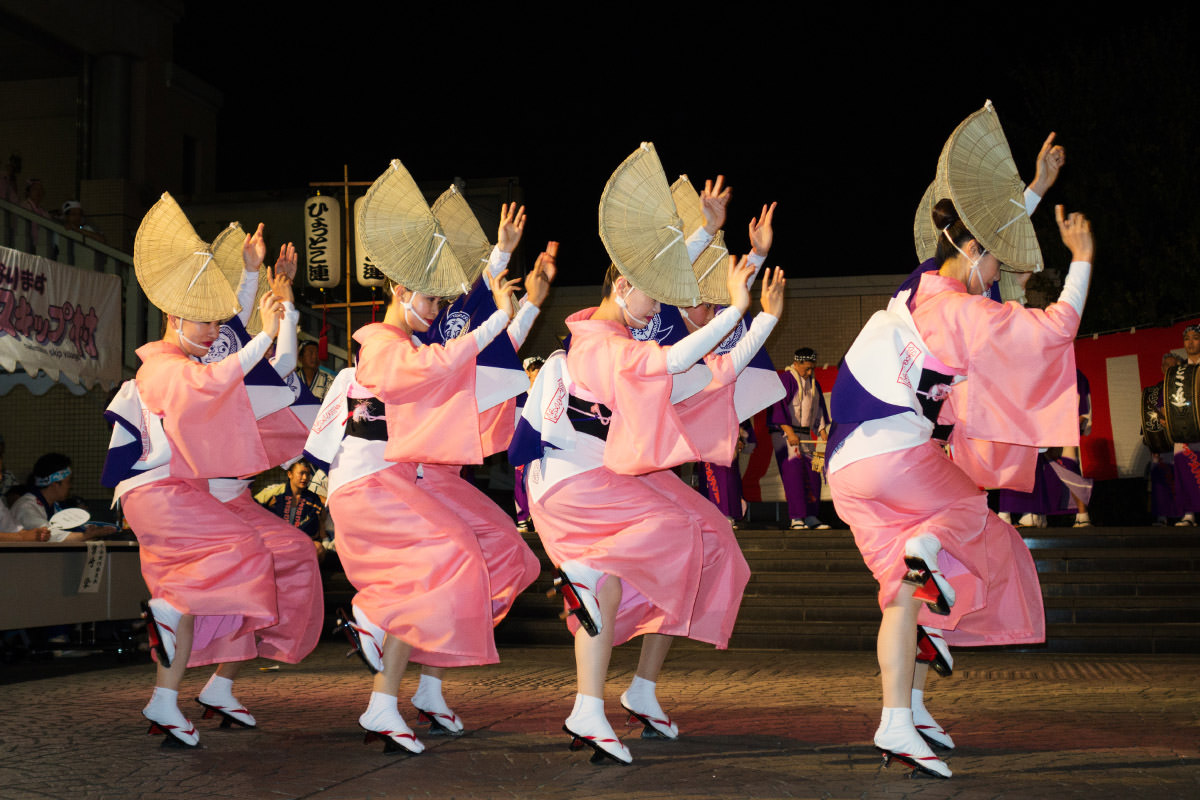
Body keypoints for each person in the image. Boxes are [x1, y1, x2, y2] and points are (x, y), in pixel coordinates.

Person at [826, 102, 1093, 780]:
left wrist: (1033, 192)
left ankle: (900, 717)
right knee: (976, 518)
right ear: (971, 254)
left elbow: (980, 241)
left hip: (846, 471)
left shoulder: (916, 289)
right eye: (995, 262)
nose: (1001, 274)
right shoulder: (966, 311)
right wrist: (1082, 262)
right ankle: (927, 554)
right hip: (897, 457)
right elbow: (1055, 329)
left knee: (903, 591)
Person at [308, 161, 544, 755]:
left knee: (506, 556)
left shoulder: (420, 341)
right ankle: (380, 665)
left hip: (415, 480)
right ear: (397, 290)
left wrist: (508, 280)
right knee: (450, 557)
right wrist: (499, 315)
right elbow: (445, 360)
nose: (438, 307)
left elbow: (479, 363)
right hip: (371, 484)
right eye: (430, 297)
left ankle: (430, 682)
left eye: (441, 299)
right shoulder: (379, 345)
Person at [103, 195, 322, 748]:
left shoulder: (213, 360)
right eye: (200, 320)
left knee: (289, 555)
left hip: (206, 491)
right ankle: (165, 680)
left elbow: (249, 351)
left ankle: (219, 683)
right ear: (174, 318)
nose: (214, 329)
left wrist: (263, 287)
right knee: (236, 557)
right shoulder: (165, 369)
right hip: (163, 491)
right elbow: (224, 369)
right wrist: (270, 328)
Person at [768, 347, 831, 530]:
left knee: (813, 473)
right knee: (793, 474)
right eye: (807, 368)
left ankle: (811, 515)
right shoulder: (785, 380)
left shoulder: (814, 384)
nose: (810, 372)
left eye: (813, 368)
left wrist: (822, 433)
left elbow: (818, 410)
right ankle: (797, 517)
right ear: (796, 363)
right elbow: (777, 408)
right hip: (785, 434)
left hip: (804, 434)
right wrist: (789, 432)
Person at [255, 460, 325, 547]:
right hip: (274, 541)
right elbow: (252, 509)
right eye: (301, 473)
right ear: (289, 474)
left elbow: (318, 530)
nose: (305, 477)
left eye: (307, 474)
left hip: (302, 544)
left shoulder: (313, 500)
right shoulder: (273, 493)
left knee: (318, 548)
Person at [1170, 327, 1200, 526]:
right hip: (1186, 427)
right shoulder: (1179, 372)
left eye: (1196, 338)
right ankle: (1189, 514)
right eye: (1187, 339)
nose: (1190, 343)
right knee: (1185, 468)